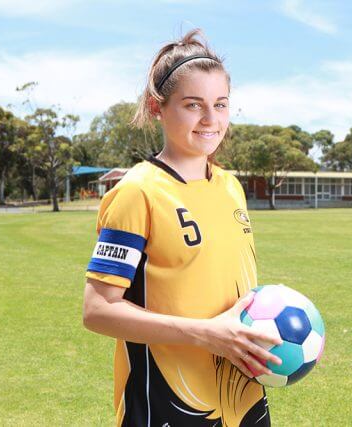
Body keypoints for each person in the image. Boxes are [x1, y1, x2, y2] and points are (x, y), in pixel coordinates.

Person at [82, 29, 282, 427]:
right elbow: (98, 310)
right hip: (168, 405)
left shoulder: (230, 186)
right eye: (194, 105)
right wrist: (207, 334)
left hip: (244, 400)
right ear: (158, 108)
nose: (211, 120)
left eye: (221, 104)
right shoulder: (137, 192)